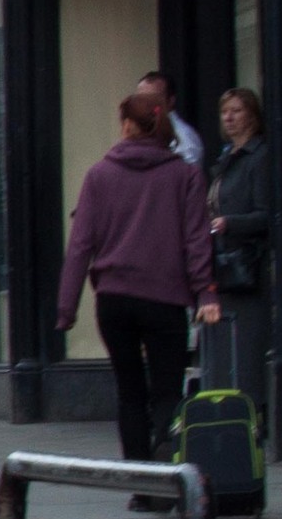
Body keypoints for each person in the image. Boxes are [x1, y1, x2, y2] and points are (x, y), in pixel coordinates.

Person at [57, 95, 219, 498]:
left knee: (130, 391)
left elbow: (80, 245)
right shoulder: (185, 175)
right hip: (165, 299)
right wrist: (205, 293)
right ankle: (165, 476)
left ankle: (139, 485)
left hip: (115, 299)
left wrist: (67, 306)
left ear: (127, 125)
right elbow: (197, 240)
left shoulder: (99, 175)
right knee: (167, 391)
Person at [208, 87, 272, 403]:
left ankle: (253, 404)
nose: (229, 118)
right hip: (225, 261)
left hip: (249, 263)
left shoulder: (259, 157)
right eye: (224, 112)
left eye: (236, 111)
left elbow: (266, 213)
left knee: (248, 342)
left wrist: (230, 222)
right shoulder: (227, 157)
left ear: (252, 115)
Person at [139, 71, 206, 166]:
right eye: (140, 98)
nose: (146, 103)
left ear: (170, 101)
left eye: (153, 98)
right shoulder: (137, 133)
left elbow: (181, 173)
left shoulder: (185, 138)